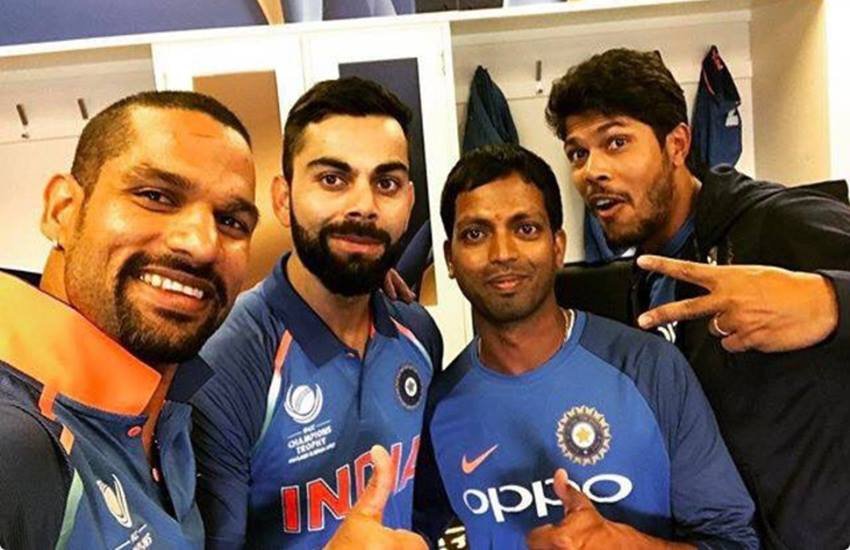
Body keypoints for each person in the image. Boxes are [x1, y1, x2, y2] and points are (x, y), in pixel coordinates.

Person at [545, 47, 850, 549]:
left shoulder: (771, 223)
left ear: (677, 144)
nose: (591, 171)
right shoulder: (646, 278)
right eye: (578, 153)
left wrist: (829, 300)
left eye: (616, 142)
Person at [414, 143, 758, 549]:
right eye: (475, 234)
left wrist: (628, 546)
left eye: (526, 229)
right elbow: (409, 533)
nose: (502, 253)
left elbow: (734, 542)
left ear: (557, 247)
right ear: (450, 258)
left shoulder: (650, 369)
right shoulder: (437, 408)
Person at [0, 91, 259, 549]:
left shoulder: (169, 401)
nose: (202, 244)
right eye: (156, 196)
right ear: (62, 210)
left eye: (232, 221)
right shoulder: (16, 441)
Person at [191, 77, 441, 549]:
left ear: (408, 203)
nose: (363, 206)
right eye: (332, 179)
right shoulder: (224, 364)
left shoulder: (419, 334)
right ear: (283, 199)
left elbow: (425, 502)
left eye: (386, 183)